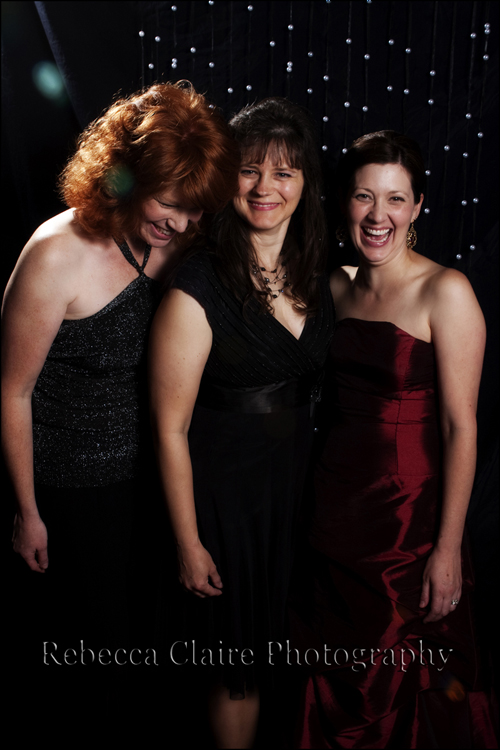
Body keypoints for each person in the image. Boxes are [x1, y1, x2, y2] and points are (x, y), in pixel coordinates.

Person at [2, 81, 239, 728]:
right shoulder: (56, 253)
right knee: (96, 663)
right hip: (72, 488)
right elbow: (13, 391)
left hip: (156, 480)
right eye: (171, 204)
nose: (182, 224)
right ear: (124, 174)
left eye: (195, 210)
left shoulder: (183, 239)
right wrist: (27, 512)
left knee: (157, 660)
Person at [291, 130, 497, 748]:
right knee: (331, 675)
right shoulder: (336, 285)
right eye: (364, 197)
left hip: (408, 525)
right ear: (344, 203)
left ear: (417, 206)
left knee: (399, 683)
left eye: (396, 199)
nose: (378, 215)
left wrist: (447, 549)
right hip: (332, 513)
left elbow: (461, 428)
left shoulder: (446, 291)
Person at [149, 97, 334, 748]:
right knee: (237, 669)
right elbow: (168, 429)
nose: (265, 188)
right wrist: (188, 541)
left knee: (286, 656)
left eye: (284, 172)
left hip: (296, 498)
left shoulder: (316, 270)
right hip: (226, 506)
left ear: (305, 184)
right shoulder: (197, 284)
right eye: (249, 170)